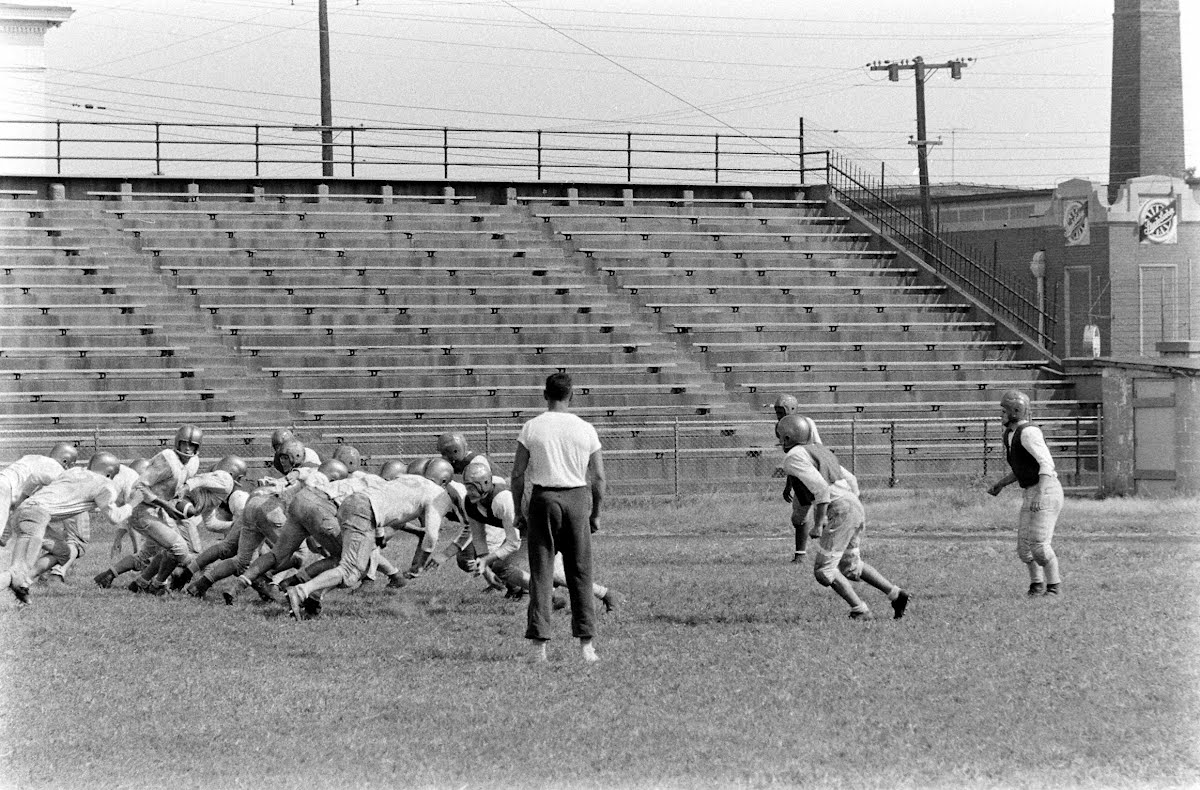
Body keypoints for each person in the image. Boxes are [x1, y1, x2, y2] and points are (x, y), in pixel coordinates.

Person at [510, 372, 607, 665]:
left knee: (541, 574)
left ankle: (539, 646)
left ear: (545, 395)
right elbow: (599, 477)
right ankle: (586, 645)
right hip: (577, 498)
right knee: (580, 573)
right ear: (571, 395)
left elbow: (517, 474)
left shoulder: (532, 427)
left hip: (544, 499)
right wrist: (596, 513)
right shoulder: (585, 428)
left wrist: (519, 511)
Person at [777, 414, 909, 621]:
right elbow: (851, 479)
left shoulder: (793, 456)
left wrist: (819, 523)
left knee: (824, 571)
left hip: (840, 508)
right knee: (850, 566)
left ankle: (860, 610)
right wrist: (851, 505)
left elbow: (821, 490)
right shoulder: (820, 450)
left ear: (786, 437)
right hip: (852, 504)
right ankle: (896, 594)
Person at [284, 472, 459, 621]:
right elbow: (431, 535)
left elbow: (391, 500)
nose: (449, 519)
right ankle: (301, 591)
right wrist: (418, 567)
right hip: (364, 510)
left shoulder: (417, 480)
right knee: (351, 570)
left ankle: (314, 596)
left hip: (352, 504)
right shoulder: (442, 498)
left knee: (360, 566)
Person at [94, 425, 203, 591]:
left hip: (158, 510)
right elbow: (140, 487)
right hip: (142, 509)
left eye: (192, 445)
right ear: (177, 443)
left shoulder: (193, 462)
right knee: (178, 548)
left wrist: (181, 493)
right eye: (184, 444)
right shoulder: (167, 460)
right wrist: (165, 505)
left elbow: (181, 482)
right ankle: (158, 585)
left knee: (148, 554)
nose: (188, 449)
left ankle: (111, 576)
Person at [5, 452, 124, 604]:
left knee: (63, 552)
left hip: (34, 512)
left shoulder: (72, 473)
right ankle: (21, 581)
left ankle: (25, 581)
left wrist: (22, 502)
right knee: (76, 543)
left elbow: (35, 479)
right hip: (38, 514)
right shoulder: (68, 472)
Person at [987, 389, 1064, 597]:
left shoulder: (1029, 432)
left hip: (1045, 489)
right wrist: (1002, 484)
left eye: (1004, 410)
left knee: (1039, 544)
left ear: (1015, 410)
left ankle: (1054, 588)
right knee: (1024, 548)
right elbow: (1022, 468)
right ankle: (1036, 584)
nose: (1001, 414)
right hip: (1032, 489)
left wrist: (1040, 493)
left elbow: (1046, 464)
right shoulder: (1010, 434)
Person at [772, 395, 824, 563]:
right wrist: (789, 483)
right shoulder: (781, 426)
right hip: (799, 474)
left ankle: (826, 552)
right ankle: (801, 554)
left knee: (822, 512)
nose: (779, 415)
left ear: (792, 409)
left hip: (811, 472)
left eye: (782, 411)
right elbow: (791, 456)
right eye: (777, 412)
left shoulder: (806, 423)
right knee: (798, 517)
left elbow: (817, 448)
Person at [0, 443, 79, 547]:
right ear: (65, 461)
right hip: (5, 488)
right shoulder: (56, 468)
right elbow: (34, 478)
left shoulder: (31, 457)